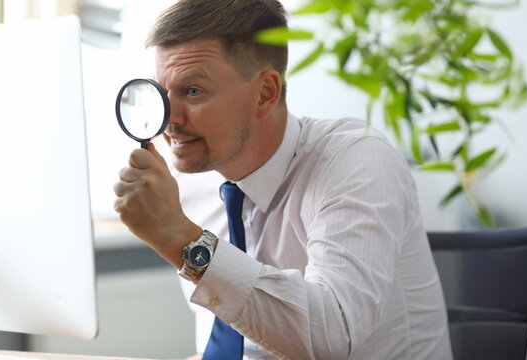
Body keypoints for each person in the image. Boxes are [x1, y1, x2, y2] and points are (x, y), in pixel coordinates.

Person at [113, 0, 452, 358]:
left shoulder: (356, 161)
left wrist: (181, 239)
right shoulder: (192, 178)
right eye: (162, 93)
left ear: (265, 94)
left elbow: (331, 339)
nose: (170, 118)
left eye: (193, 91)